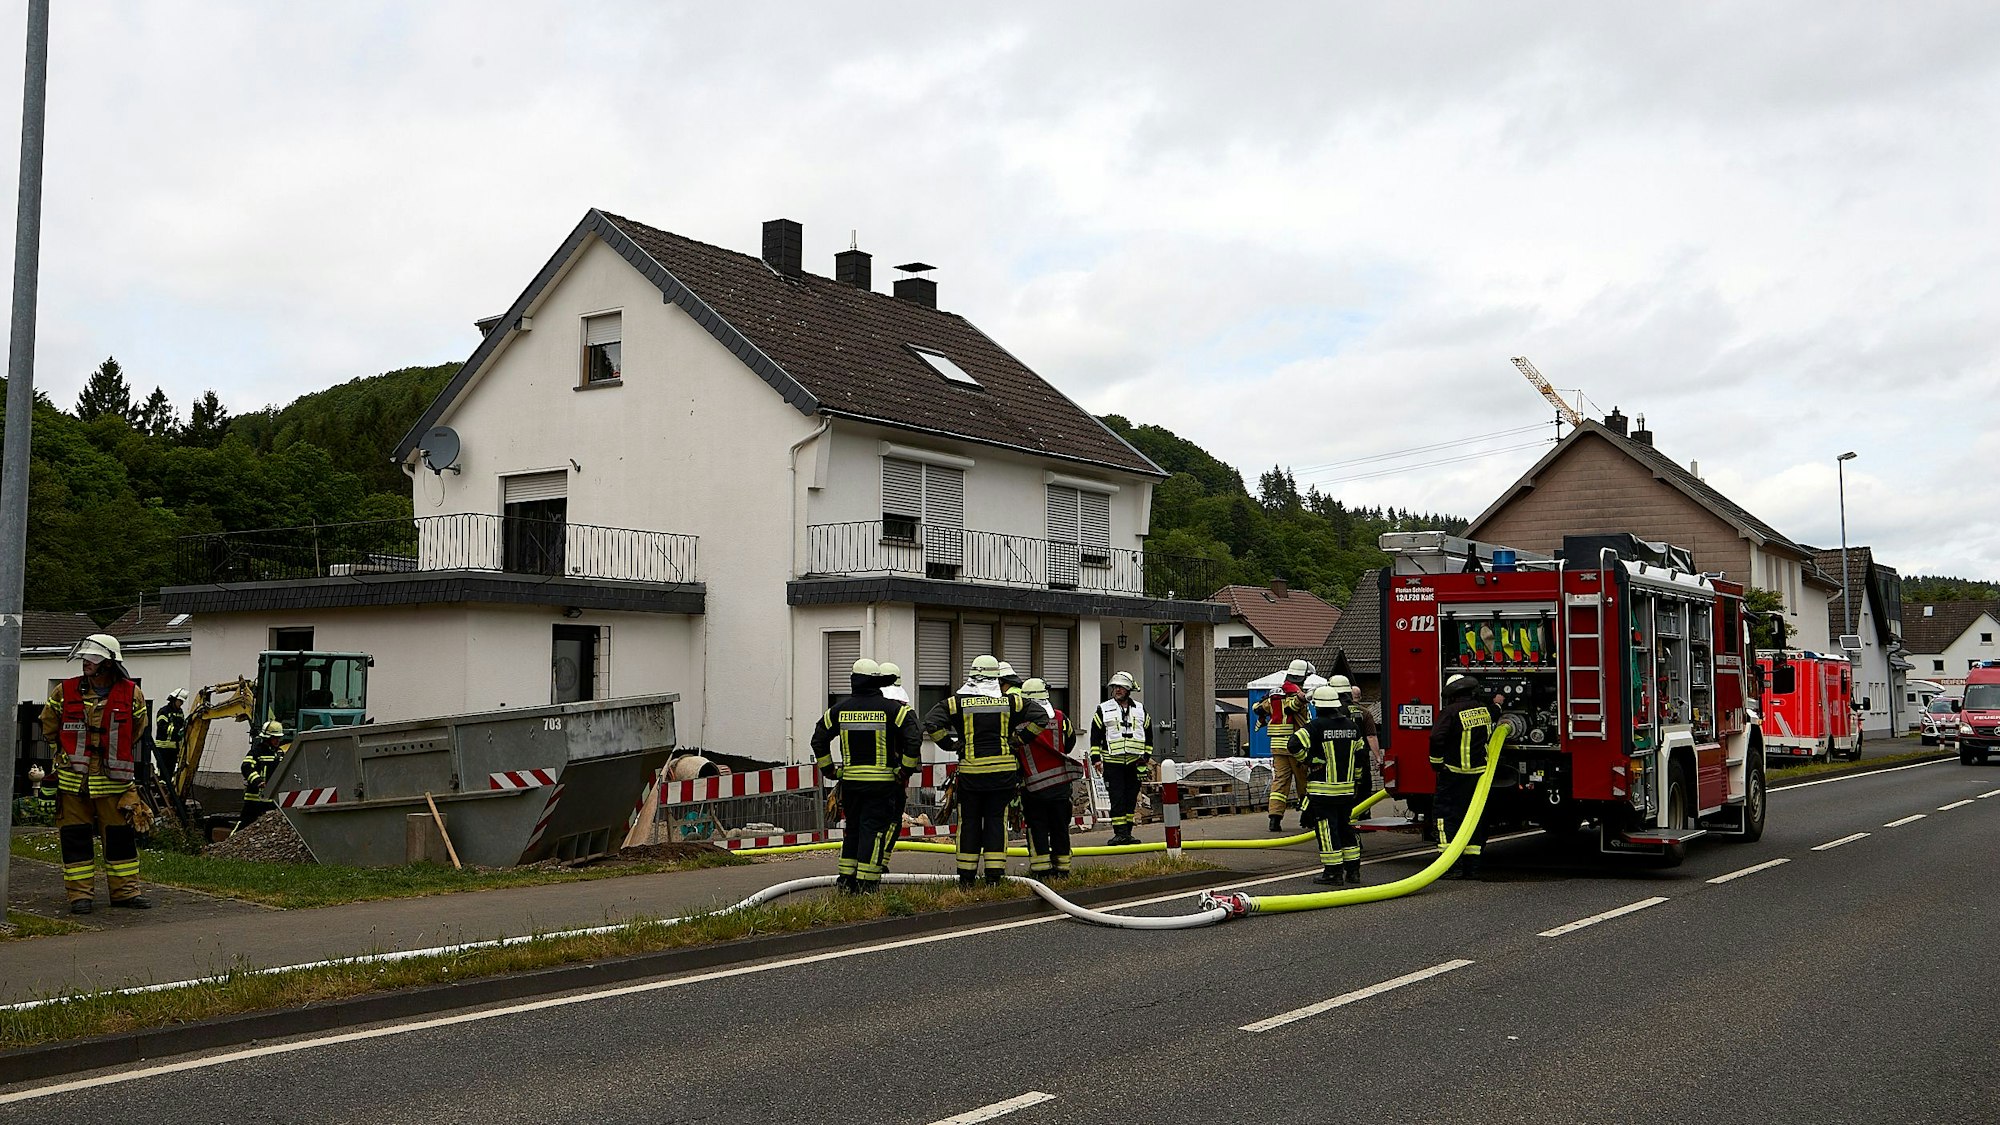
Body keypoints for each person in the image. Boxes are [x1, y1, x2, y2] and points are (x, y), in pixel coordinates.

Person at [39, 633, 156, 913]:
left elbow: (137, 730)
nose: (85, 664)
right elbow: (48, 725)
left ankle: (126, 893)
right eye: (85, 658)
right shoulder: (63, 692)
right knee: (75, 839)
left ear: (109, 664)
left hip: (114, 785)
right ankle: (80, 897)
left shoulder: (131, 694)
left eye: (92, 659)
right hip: (73, 783)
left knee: (120, 841)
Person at [924, 654, 1046, 888]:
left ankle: (966, 877)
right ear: (996, 679)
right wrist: (1019, 740)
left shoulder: (956, 702)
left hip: (971, 774)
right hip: (1003, 775)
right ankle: (994, 876)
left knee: (968, 822)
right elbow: (1041, 716)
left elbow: (931, 723)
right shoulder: (1011, 702)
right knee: (995, 822)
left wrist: (951, 745)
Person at [812, 658, 922, 893]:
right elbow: (913, 738)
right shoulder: (893, 709)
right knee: (873, 831)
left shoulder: (839, 710)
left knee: (852, 829)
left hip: (851, 784)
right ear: (877, 682)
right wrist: (905, 770)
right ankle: (867, 884)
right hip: (882, 785)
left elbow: (818, 738)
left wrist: (830, 771)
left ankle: (846, 880)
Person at [1295, 684, 1372, 885]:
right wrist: (1355, 781)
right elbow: (1361, 756)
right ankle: (1353, 872)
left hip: (1322, 791)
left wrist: (1310, 760)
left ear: (1318, 706)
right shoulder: (1352, 728)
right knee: (1346, 828)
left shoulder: (1315, 726)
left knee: (1327, 830)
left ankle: (1333, 873)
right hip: (1346, 791)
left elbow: (1294, 745)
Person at [1429, 673, 1497, 879]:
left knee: (1446, 818)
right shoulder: (1484, 710)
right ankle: (1472, 867)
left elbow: (1436, 737)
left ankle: (1451, 866)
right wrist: (1499, 703)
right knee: (1474, 818)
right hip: (1478, 777)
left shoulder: (1450, 712)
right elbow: (1495, 712)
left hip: (1454, 775)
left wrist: (1437, 763)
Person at [1014, 678, 1081, 880]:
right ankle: (1062, 869)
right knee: (1060, 827)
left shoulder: (1018, 725)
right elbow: (1069, 743)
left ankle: (1041, 870)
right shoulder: (1061, 718)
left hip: (1033, 787)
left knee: (1037, 828)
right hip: (1061, 785)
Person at [1089, 670, 1152, 846]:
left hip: (1135, 762)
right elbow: (1095, 736)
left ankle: (1128, 833)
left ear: (1128, 689)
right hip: (1112, 763)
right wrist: (1096, 759)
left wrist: (1145, 758)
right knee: (1117, 798)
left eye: (1121, 687)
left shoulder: (1140, 709)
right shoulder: (1103, 709)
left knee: (1131, 798)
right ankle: (1119, 834)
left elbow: (1149, 734)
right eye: (1115, 687)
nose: (1117, 690)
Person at [1255, 659, 1314, 832]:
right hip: (1296, 746)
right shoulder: (1296, 696)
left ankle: (1274, 819)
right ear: (1302, 678)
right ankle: (1307, 817)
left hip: (1277, 747)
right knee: (1304, 782)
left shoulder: (1274, 696)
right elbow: (1293, 707)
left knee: (1280, 783)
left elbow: (1257, 708)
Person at [239, 720, 288, 830]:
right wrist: (258, 781)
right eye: (275, 738)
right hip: (254, 800)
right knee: (244, 827)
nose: (277, 741)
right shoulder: (256, 752)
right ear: (267, 738)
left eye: (278, 738)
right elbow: (246, 767)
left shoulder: (279, 754)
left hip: (272, 801)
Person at [153, 687, 190, 784]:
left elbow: (182, 725)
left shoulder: (180, 712)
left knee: (171, 769)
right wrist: (177, 731)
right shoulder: (164, 711)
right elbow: (162, 726)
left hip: (174, 747)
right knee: (163, 770)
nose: (181, 704)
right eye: (180, 701)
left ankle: (169, 786)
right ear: (174, 699)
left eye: (182, 702)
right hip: (163, 747)